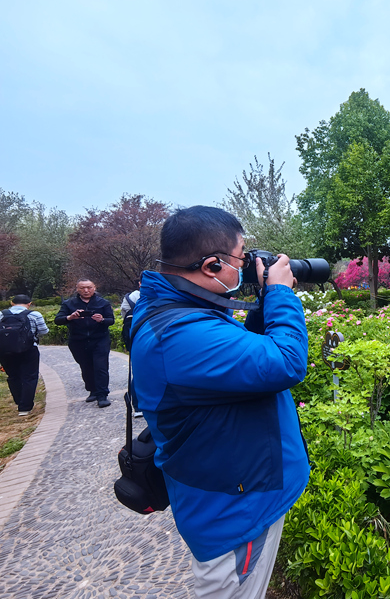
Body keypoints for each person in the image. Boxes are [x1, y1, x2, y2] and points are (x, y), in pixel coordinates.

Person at [131, 206, 309, 598]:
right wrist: (280, 292)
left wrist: (264, 301)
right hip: (234, 513)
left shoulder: (183, 310)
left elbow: (248, 354)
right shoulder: (179, 334)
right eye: (241, 258)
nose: (246, 267)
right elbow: (287, 362)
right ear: (212, 266)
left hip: (237, 489)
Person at [55, 279, 115, 408]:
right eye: (82, 288)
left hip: (100, 339)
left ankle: (102, 395)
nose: (86, 290)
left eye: (89, 287)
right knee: (86, 367)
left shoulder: (103, 303)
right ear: (77, 289)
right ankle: (92, 390)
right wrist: (70, 318)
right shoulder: (69, 304)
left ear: (94, 287)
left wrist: (102, 320)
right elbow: (58, 320)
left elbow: (111, 320)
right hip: (78, 340)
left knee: (100, 367)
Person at [0, 295, 49, 416]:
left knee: (13, 376)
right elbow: (44, 331)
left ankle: (18, 400)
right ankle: (25, 407)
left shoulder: (1, 314)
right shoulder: (34, 314)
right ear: (29, 303)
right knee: (30, 377)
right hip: (29, 349)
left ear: (12, 303)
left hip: (5, 351)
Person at [120, 279, 143, 417]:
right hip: (158, 336)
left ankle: (138, 406)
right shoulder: (163, 294)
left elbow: (124, 316)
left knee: (139, 371)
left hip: (135, 337)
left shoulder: (129, 298)